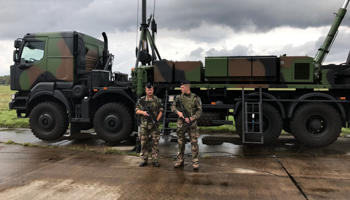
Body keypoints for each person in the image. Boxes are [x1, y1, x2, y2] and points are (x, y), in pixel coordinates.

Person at [171, 80, 202, 170]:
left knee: (194, 142)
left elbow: (200, 111)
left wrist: (192, 118)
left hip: (191, 124)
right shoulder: (178, 97)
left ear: (187, 87)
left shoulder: (195, 98)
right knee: (180, 142)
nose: (180, 89)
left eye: (182, 87)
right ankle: (180, 160)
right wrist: (179, 113)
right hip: (181, 123)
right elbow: (173, 107)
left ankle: (195, 162)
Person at [135, 82, 163, 167]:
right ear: (145, 90)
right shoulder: (141, 100)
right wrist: (143, 112)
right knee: (144, 143)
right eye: (148, 90)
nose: (149, 91)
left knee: (155, 142)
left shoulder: (157, 100)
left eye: (151, 89)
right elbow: (136, 111)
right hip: (144, 125)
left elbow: (161, 111)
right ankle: (144, 159)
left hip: (154, 125)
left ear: (153, 90)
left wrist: (156, 120)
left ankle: (155, 159)